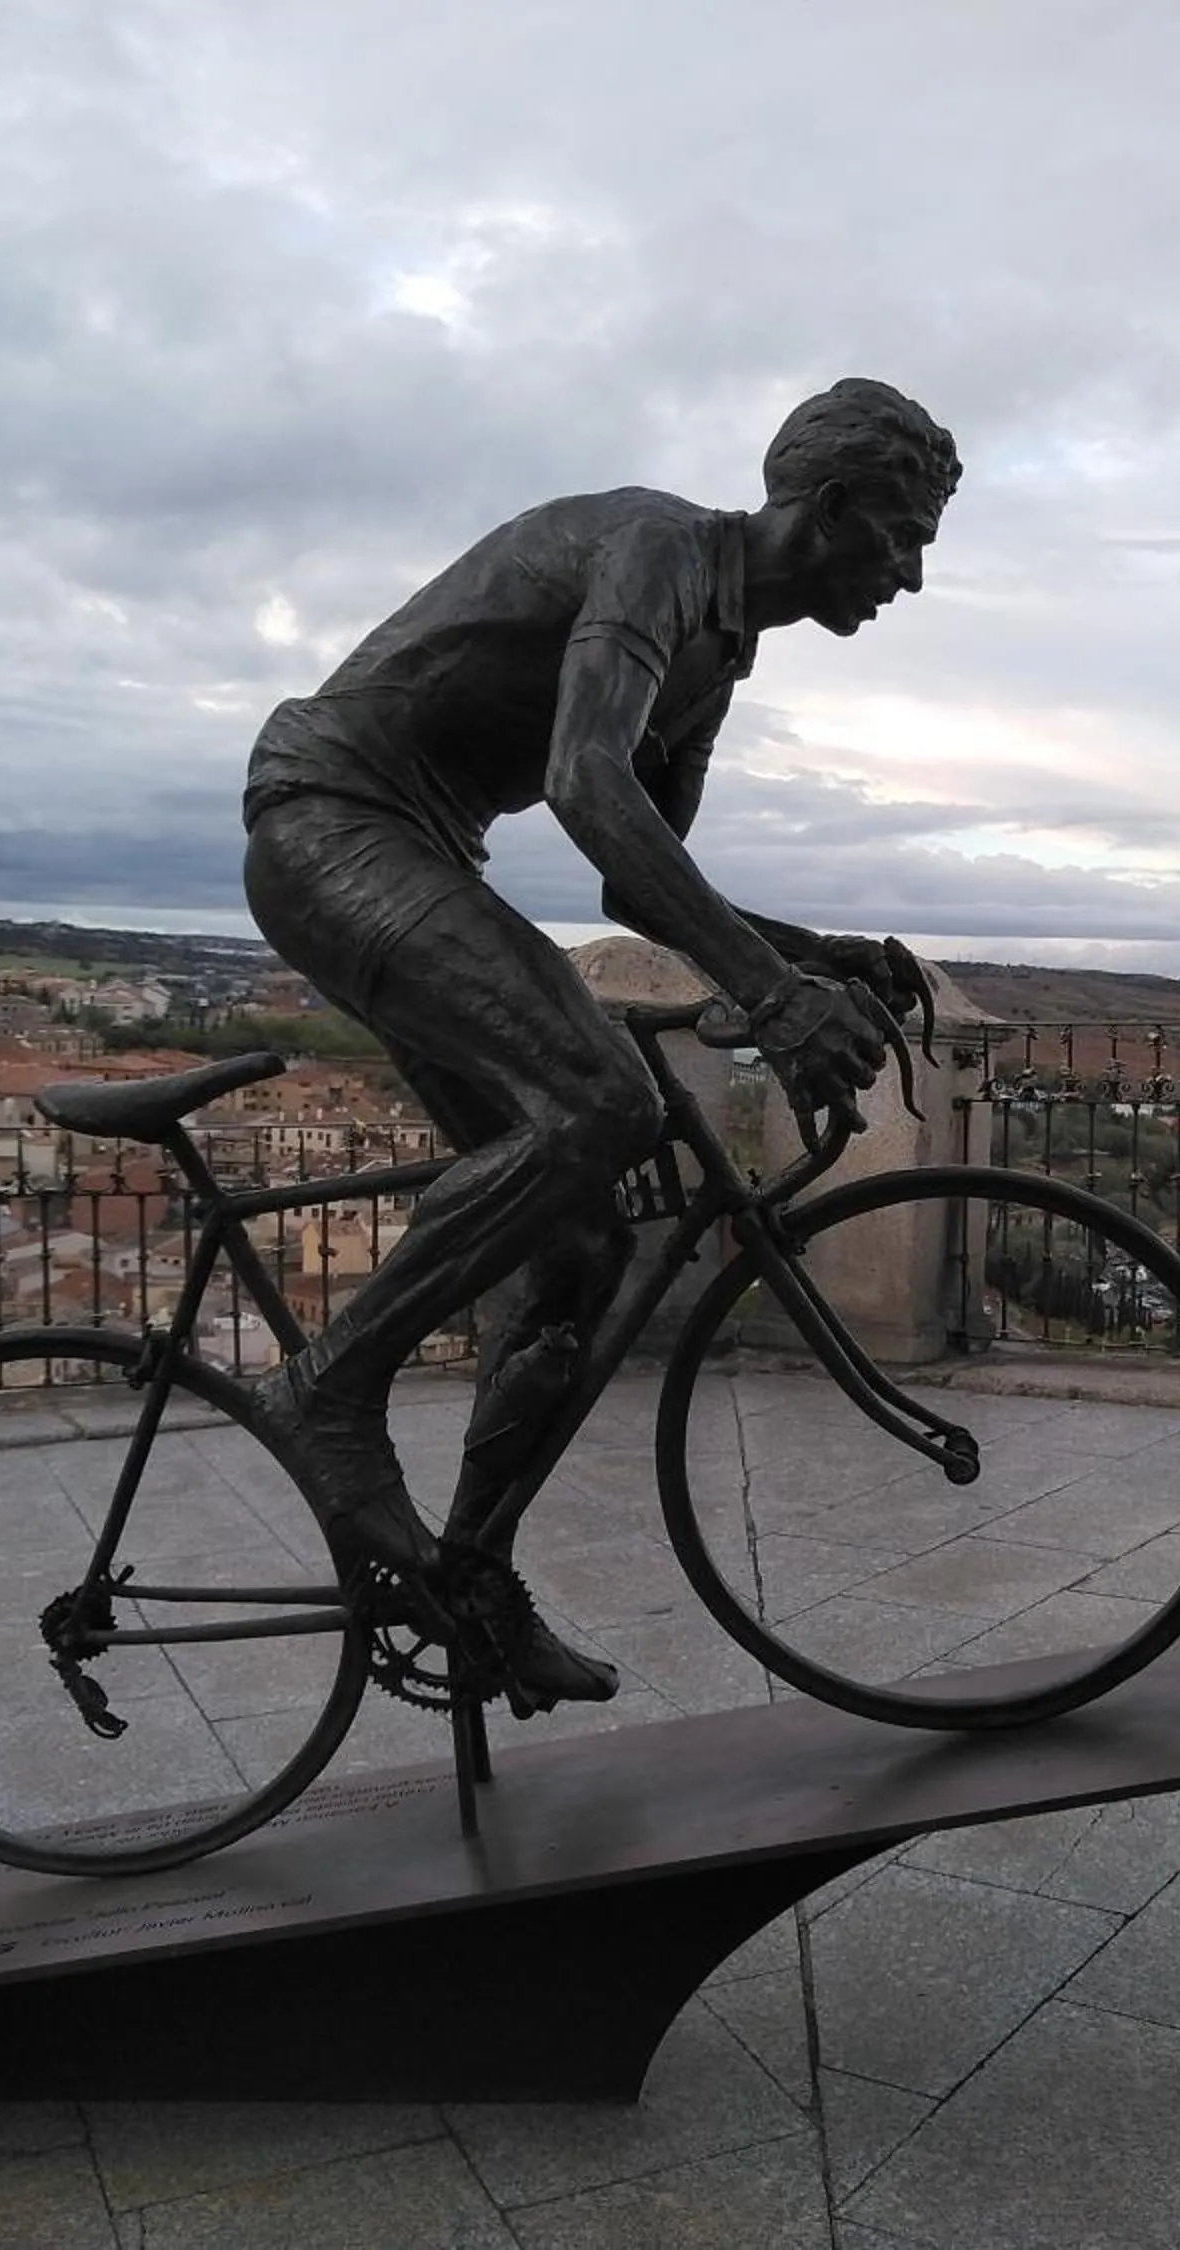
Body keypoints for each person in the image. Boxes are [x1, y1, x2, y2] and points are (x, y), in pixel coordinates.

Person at [240, 377, 959, 1713]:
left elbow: (641, 884)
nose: (910, 577)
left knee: (588, 1242)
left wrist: (805, 956)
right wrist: (776, 998)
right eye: (904, 537)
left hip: (416, 847)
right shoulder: (661, 551)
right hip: (332, 820)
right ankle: (327, 1392)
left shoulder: (721, 654)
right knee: (603, 1106)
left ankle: (471, 1578)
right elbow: (585, 783)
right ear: (833, 506)